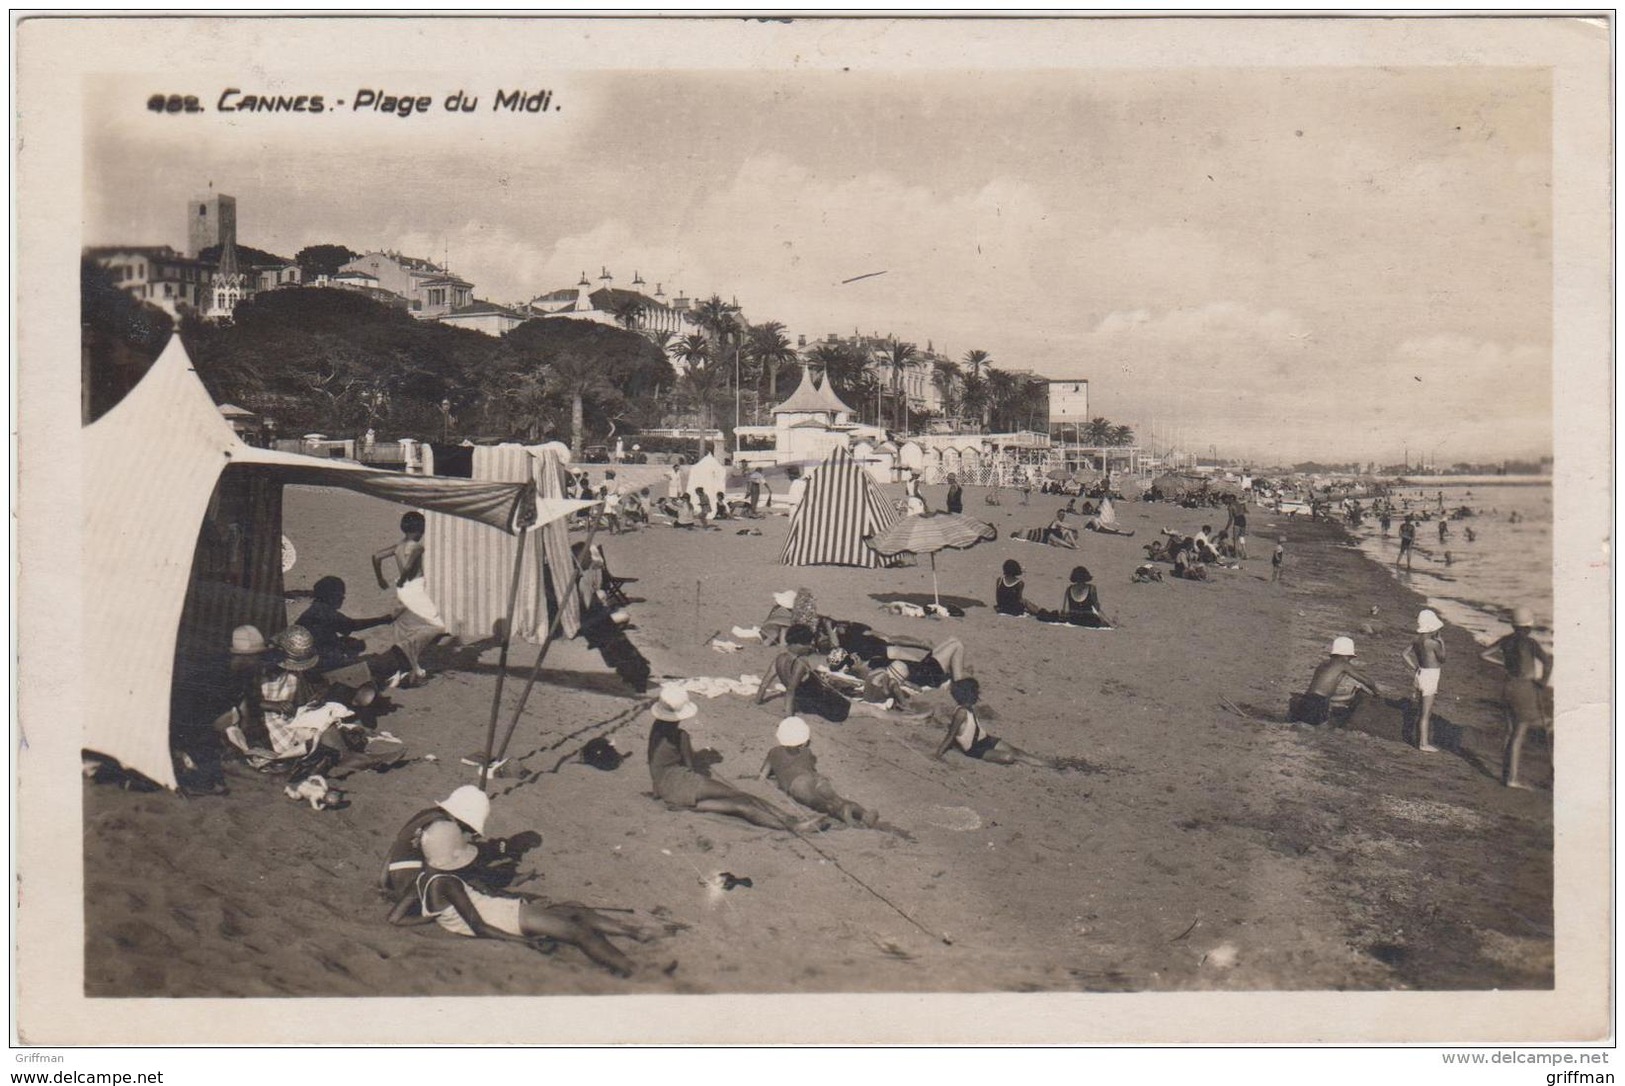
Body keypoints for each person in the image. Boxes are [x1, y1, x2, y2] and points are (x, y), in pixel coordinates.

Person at [388, 820, 647, 977]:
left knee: (570, 911)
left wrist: (433, 918)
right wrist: (524, 943)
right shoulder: (448, 883)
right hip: (504, 918)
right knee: (577, 930)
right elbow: (479, 925)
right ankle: (633, 969)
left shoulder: (422, 879)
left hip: (500, 911)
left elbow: (395, 919)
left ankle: (631, 939)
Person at [647, 686, 822, 831]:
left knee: (738, 807)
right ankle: (791, 822)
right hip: (681, 781)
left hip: (666, 792)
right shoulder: (681, 735)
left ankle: (791, 823)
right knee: (741, 797)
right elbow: (689, 766)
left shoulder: (656, 730)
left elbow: (655, 764)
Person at [1479, 607, 1553, 789]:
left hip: (1508, 686)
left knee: (1511, 732)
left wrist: (1502, 663)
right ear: (1529, 627)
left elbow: (1483, 654)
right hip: (1524, 689)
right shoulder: (1531, 643)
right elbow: (1548, 663)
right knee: (1523, 733)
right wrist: (1542, 682)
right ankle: (1512, 779)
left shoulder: (1506, 641)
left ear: (1513, 625)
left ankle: (1507, 776)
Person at [759, 717, 879, 828]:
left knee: (820, 803)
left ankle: (842, 813)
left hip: (798, 783)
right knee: (836, 798)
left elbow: (762, 775)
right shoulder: (807, 751)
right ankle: (864, 814)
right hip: (816, 778)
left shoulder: (773, 752)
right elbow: (809, 766)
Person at [372, 511, 444, 686]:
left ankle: (406, 668)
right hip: (414, 590)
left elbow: (376, 556)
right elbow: (410, 565)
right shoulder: (418, 547)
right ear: (420, 530)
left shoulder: (398, 546)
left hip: (403, 592)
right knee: (437, 627)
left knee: (405, 626)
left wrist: (380, 578)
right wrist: (404, 580)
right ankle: (407, 655)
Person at [933, 678, 1049, 767]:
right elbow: (951, 735)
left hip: (985, 739)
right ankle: (1050, 764)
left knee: (1017, 752)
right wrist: (938, 754)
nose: (977, 695)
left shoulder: (968, 708)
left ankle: (1051, 764)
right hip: (975, 749)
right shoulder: (961, 712)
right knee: (1009, 757)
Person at [757, 625, 851, 722]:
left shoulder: (779, 658)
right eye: (807, 643)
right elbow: (791, 689)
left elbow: (764, 683)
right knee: (852, 708)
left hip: (802, 701)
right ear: (798, 644)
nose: (810, 646)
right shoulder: (801, 661)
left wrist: (758, 701)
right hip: (815, 703)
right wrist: (789, 717)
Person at [1288, 637, 1382, 726]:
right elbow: (1368, 681)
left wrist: (1349, 697)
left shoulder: (1324, 664)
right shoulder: (1343, 664)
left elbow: (1322, 696)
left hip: (1306, 700)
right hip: (1317, 704)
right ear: (1349, 655)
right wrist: (1377, 693)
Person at [1404, 609, 1447, 752]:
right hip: (1431, 676)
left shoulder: (1416, 640)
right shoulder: (1433, 643)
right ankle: (1423, 744)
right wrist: (1442, 643)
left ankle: (1419, 740)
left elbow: (1404, 654)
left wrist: (1414, 667)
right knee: (1426, 713)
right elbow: (1442, 659)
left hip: (1420, 673)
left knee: (1421, 710)